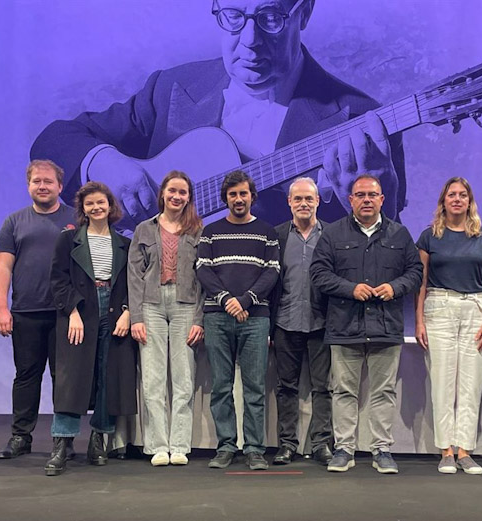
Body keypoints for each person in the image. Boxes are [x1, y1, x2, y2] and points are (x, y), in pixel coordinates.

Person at [30, 0, 405, 229]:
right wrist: (104, 164)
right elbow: (55, 141)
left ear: (304, 11)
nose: (250, 40)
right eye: (232, 16)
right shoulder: (171, 88)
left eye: (270, 17)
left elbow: (388, 269)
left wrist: (372, 209)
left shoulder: (361, 120)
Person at [311, 174, 422, 474]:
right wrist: (350, 289)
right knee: (344, 391)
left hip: (385, 328)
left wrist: (395, 287)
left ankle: (381, 450)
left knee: (383, 392)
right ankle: (344, 448)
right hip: (344, 327)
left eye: (372, 195)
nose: (366, 200)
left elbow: (415, 272)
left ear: (382, 199)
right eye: (360, 195)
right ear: (350, 200)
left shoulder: (399, 235)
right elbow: (319, 273)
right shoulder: (333, 235)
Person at [45, 182, 139, 476]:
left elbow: (131, 282)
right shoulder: (69, 239)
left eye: (101, 203)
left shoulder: (124, 243)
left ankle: (98, 440)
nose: (96, 208)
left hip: (112, 308)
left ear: (111, 206)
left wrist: (127, 312)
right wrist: (72, 310)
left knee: (106, 376)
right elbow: (58, 279)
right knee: (70, 379)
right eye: (90, 204)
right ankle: (62, 444)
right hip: (80, 310)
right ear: (83, 209)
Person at [196, 171, 280, 470]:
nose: (239, 199)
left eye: (243, 193)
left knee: (254, 386)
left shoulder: (267, 232)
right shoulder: (210, 231)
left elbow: (271, 272)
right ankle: (226, 446)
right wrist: (227, 301)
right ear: (225, 198)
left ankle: (255, 449)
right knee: (221, 386)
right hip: (217, 318)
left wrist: (243, 301)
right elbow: (203, 270)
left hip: (255, 318)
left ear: (252, 196)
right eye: (232, 194)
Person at [414, 177, 482, 475]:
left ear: (470, 201)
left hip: (476, 309)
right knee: (442, 383)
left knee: (470, 384)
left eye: (463, 195)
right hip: (439, 308)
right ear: (443, 201)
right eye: (452, 195)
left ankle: (465, 450)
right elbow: (419, 282)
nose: (458, 199)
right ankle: (446, 451)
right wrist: (419, 320)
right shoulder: (429, 236)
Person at [0, 160, 75, 459]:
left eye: (48, 182)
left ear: (59, 187)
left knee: (62, 377)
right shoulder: (14, 222)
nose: (42, 186)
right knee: (26, 375)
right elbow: (2, 266)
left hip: (65, 313)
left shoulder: (74, 219)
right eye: (37, 181)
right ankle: (20, 437)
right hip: (25, 311)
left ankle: (62, 439)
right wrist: (1, 307)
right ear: (29, 186)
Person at [128, 171, 205, 466]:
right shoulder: (144, 230)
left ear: (189, 197)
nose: (177, 196)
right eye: (172, 190)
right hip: (151, 304)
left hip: (186, 304)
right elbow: (134, 276)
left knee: (184, 378)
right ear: (162, 193)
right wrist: (136, 316)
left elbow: (204, 278)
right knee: (154, 378)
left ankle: (180, 446)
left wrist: (199, 317)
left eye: (183, 192)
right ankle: (158, 445)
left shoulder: (198, 231)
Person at [271, 177, 333, 466]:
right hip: (285, 322)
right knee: (286, 388)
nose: (304, 204)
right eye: (298, 199)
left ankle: (322, 444)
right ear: (289, 203)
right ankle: (287, 445)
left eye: (309, 198)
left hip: (322, 323)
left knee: (323, 388)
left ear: (318, 201)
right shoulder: (277, 236)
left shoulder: (331, 236)